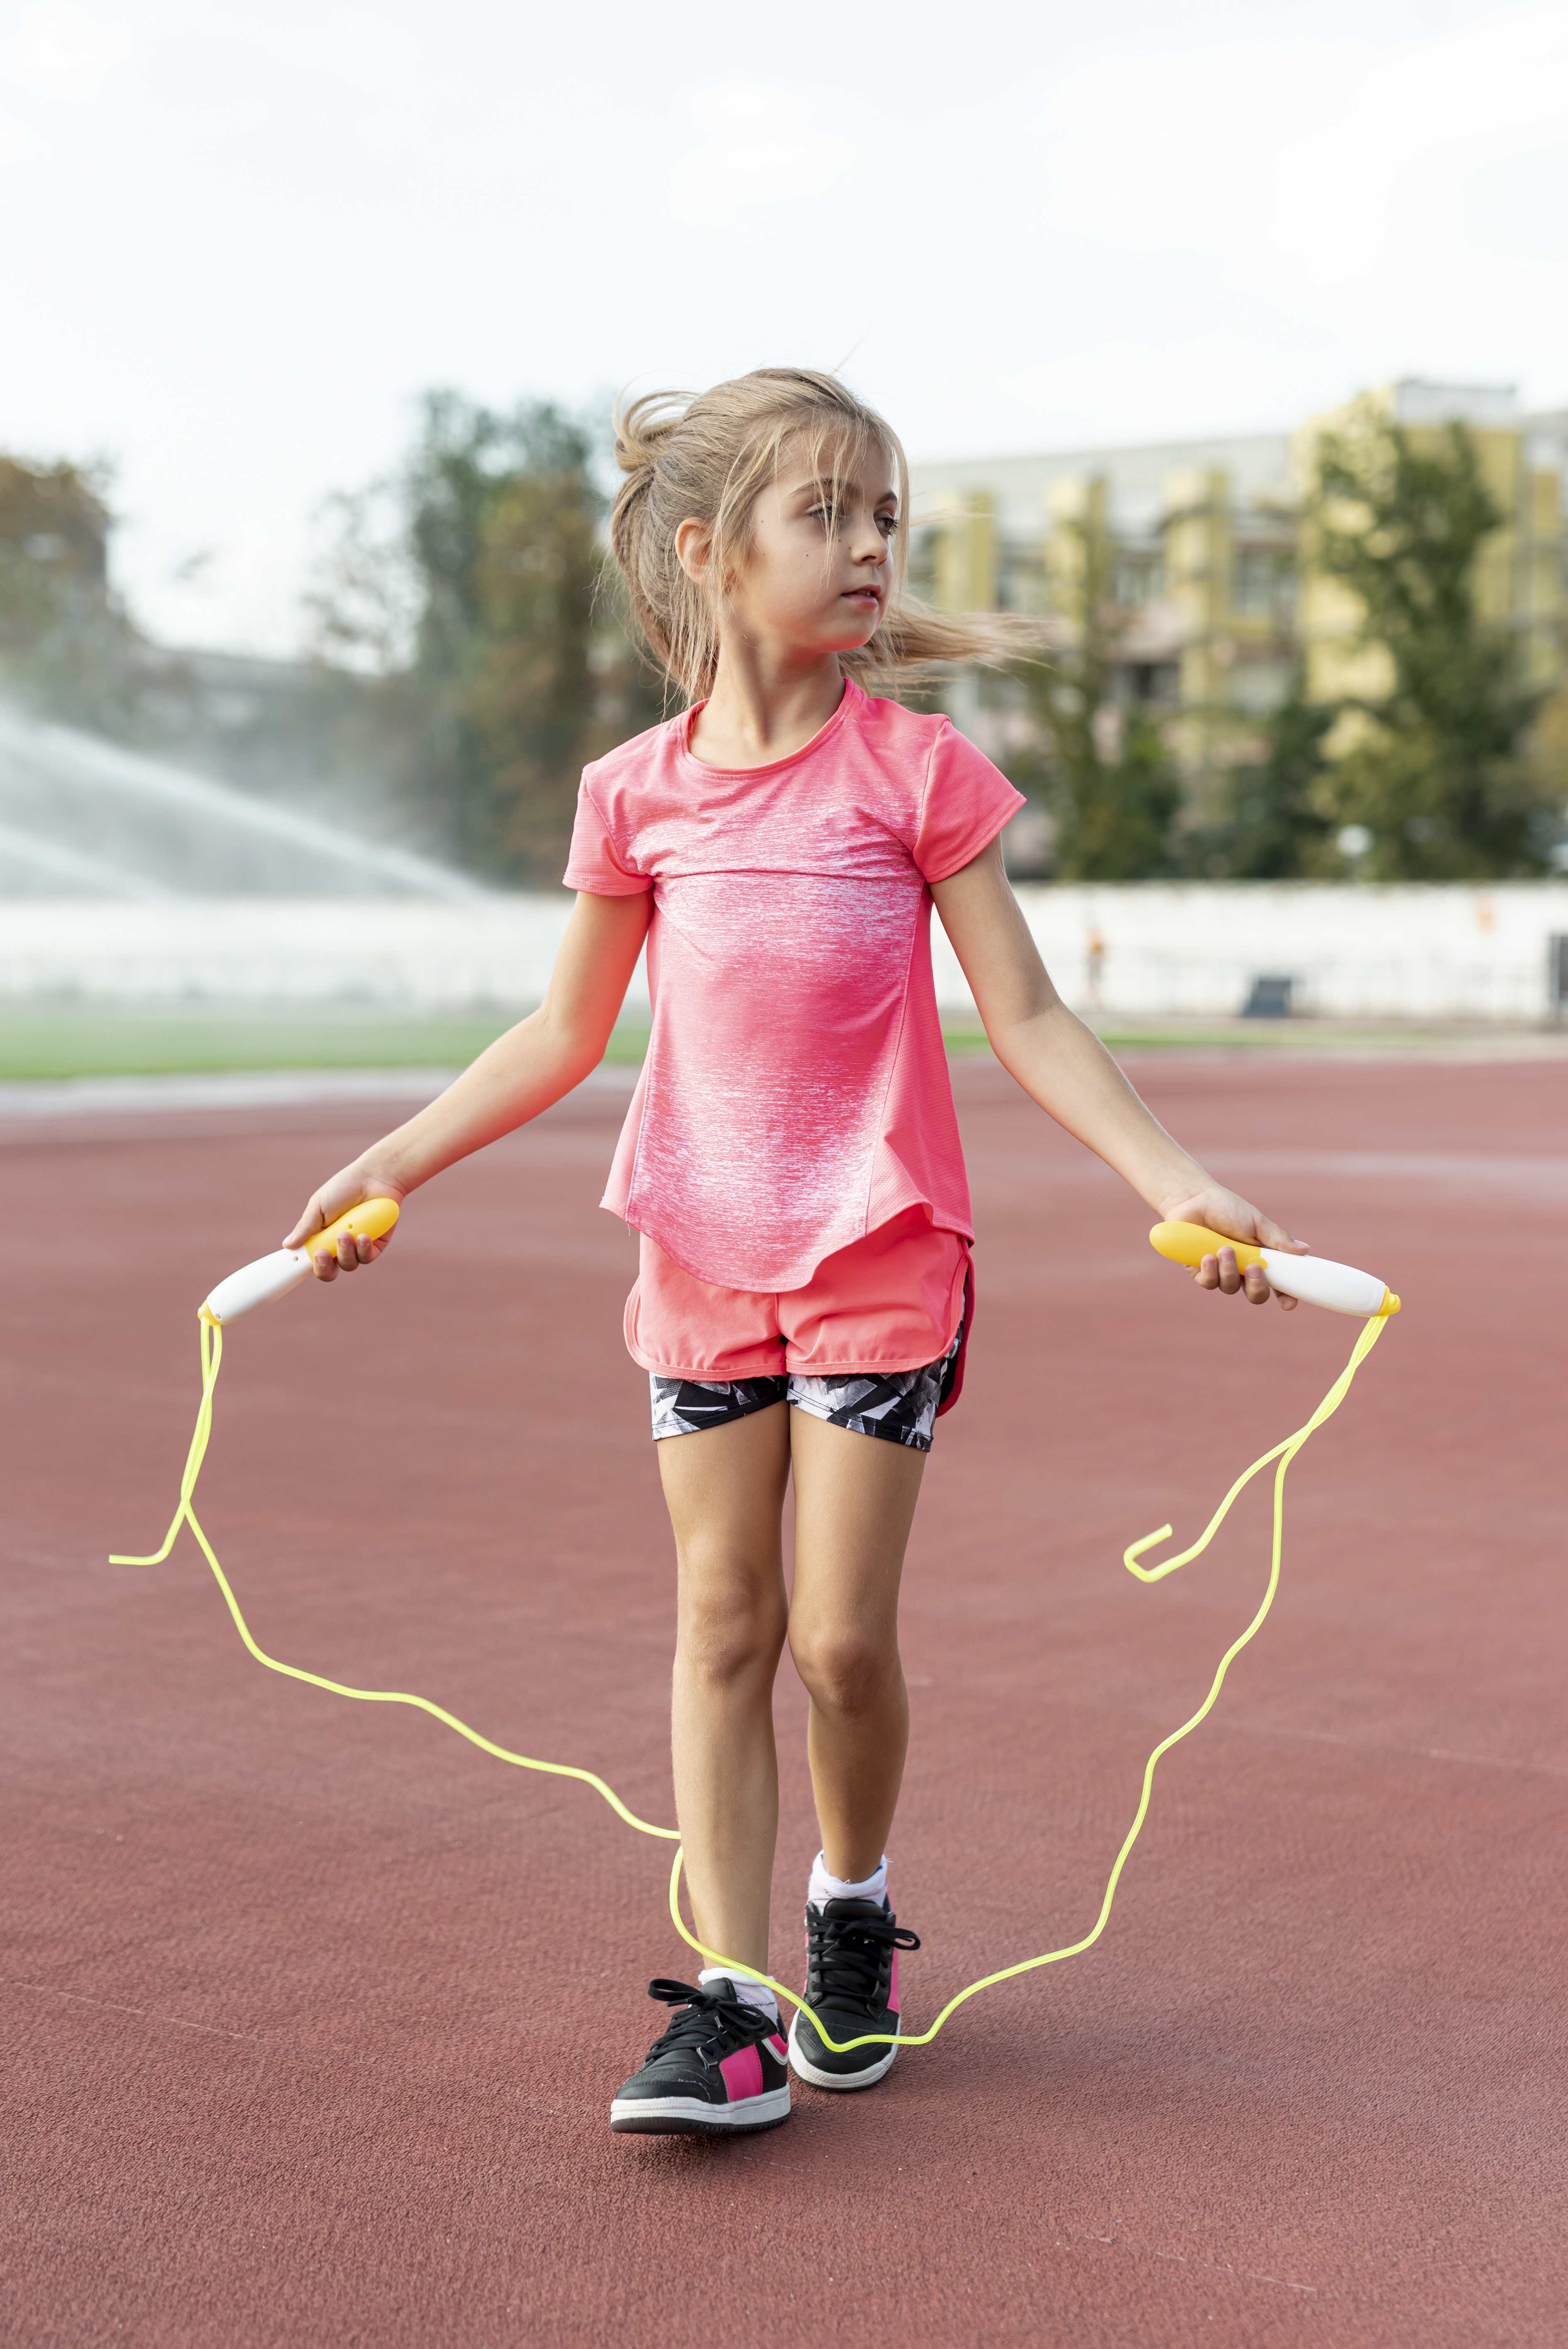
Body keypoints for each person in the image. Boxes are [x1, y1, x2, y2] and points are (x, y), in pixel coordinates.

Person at [283, 368, 1303, 2140]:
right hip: (697, 1256)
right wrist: (395, 1160)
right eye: (825, 514)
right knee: (721, 1622)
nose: (869, 548)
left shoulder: (919, 772)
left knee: (837, 1643)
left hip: (879, 1253)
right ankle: (733, 2004)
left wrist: (1175, 1180)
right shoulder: (636, 796)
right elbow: (559, 1035)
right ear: (709, 551)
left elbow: (1035, 1018)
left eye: (885, 518)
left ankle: (851, 1908)